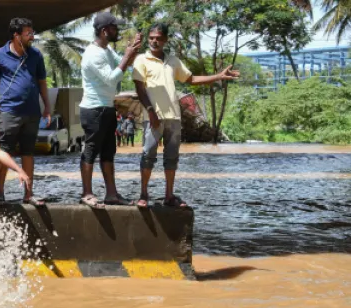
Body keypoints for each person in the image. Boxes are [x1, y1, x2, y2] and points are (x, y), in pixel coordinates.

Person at [133, 22, 239, 209]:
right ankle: (143, 194)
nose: (154, 41)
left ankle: (169, 196)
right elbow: (139, 89)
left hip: (173, 118)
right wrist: (151, 111)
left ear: (165, 40)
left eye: (158, 38)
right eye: (151, 38)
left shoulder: (173, 61)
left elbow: (191, 79)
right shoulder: (141, 60)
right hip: (152, 117)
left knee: (171, 158)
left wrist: (218, 76)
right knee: (148, 155)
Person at [0, 17, 50, 206]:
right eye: (28, 33)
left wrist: (47, 108)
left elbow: (42, 83)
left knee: (28, 153)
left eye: (32, 32)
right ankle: (0, 193)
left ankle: (28, 194)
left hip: (32, 112)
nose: (32, 37)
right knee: (5, 152)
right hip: (9, 112)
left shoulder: (36, 56)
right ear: (16, 35)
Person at [78, 12, 142, 209]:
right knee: (90, 151)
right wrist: (127, 56)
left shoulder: (106, 50)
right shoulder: (93, 54)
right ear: (105, 31)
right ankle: (87, 193)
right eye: (114, 28)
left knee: (108, 152)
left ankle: (111, 194)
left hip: (106, 107)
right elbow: (113, 78)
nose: (118, 31)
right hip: (93, 109)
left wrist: (132, 51)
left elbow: (124, 66)